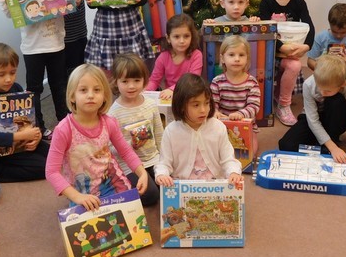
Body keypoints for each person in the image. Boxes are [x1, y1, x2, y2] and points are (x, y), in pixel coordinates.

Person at [45, 64, 158, 209]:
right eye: (83, 90)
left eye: (97, 90)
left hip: (112, 182)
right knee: (91, 220)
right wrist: (77, 197)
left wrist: (141, 173)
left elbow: (126, 151)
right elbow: (51, 171)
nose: (91, 95)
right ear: (72, 96)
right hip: (82, 190)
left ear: (104, 96)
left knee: (139, 204)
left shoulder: (109, 122)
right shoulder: (63, 130)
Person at [0, 0, 73, 135]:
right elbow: (9, 14)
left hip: (56, 43)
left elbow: (70, 6)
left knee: (59, 85)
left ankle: (65, 123)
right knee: (34, 88)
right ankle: (38, 126)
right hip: (32, 47)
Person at [279, 55, 346, 172]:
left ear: (342, 85)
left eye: (327, 90)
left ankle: (329, 141)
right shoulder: (309, 84)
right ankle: (325, 146)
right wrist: (333, 148)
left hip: (335, 119)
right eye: (319, 87)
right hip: (312, 119)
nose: (322, 92)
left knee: (335, 100)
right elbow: (312, 120)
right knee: (286, 145)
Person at [0, 43, 49, 182]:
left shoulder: (17, 88)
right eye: (1, 74)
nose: (8, 79)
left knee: (55, 155)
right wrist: (22, 135)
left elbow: (31, 118)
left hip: (24, 142)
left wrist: (37, 136)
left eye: (13, 72)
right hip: (2, 151)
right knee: (45, 168)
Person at [155, 73, 243, 186]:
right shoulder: (171, 131)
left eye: (206, 103)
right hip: (182, 186)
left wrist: (233, 172)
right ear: (181, 106)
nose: (203, 110)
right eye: (196, 105)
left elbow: (228, 158)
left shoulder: (218, 127)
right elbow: (164, 162)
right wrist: (162, 174)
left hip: (214, 185)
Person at [257, 0, 315, 126]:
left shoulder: (299, 2)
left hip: (291, 53)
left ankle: (284, 105)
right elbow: (265, 31)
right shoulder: (266, 3)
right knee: (293, 64)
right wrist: (282, 47)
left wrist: (306, 46)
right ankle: (278, 97)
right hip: (270, 52)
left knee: (295, 65)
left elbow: (309, 26)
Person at [108, 53, 163, 189]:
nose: (131, 86)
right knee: (150, 194)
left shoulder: (150, 104)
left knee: (167, 186)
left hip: (154, 159)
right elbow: (110, 148)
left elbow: (159, 135)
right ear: (116, 82)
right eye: (125, 81)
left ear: (144, 80)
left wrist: (164, 160)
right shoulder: (113, 113)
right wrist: (130, 143)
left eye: (137, 80)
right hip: (128, 165)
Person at [51, 0, 88, 114]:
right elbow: (57, 12)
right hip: (67, 39)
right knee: (68, 73)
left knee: (81, 68)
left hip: (81, 33)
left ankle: (81, 102)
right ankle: (70, 108)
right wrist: (73, 3)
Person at [145, 13, 203, 100]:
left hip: (190, 96)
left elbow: (192, 80)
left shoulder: (196, 55)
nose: (182, 41)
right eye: (176, 37)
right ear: (168, 38)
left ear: (192, 36)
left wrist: (172, 90)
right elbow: (154, 80)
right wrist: (144, 91)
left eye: (186, 36)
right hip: (170, 98)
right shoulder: (163, 57)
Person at [306, 3, 346, 70]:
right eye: (334, 31)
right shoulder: (320, 38)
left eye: (343, 32)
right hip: (323, 74)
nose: (338, 36)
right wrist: (323, 70)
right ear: (329, 23)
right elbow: (310, 61)